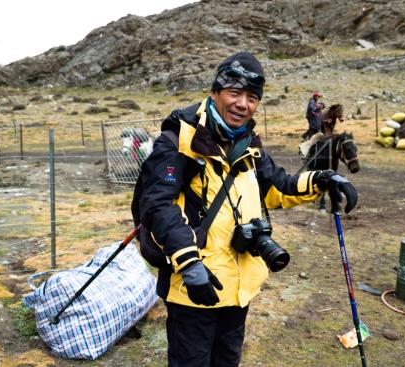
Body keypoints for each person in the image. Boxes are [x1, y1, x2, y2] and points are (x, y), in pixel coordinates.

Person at [132, 51, 357, 367]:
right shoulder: (178, 139)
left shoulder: (249, 143)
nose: (243, 104)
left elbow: (277, 187)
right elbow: (156, 205)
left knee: (227, 361)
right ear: (216, 93)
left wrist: (323, 179)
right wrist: (188, 261)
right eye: (234, 93)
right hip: (194, 285)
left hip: (239, 288)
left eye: (252, 98)